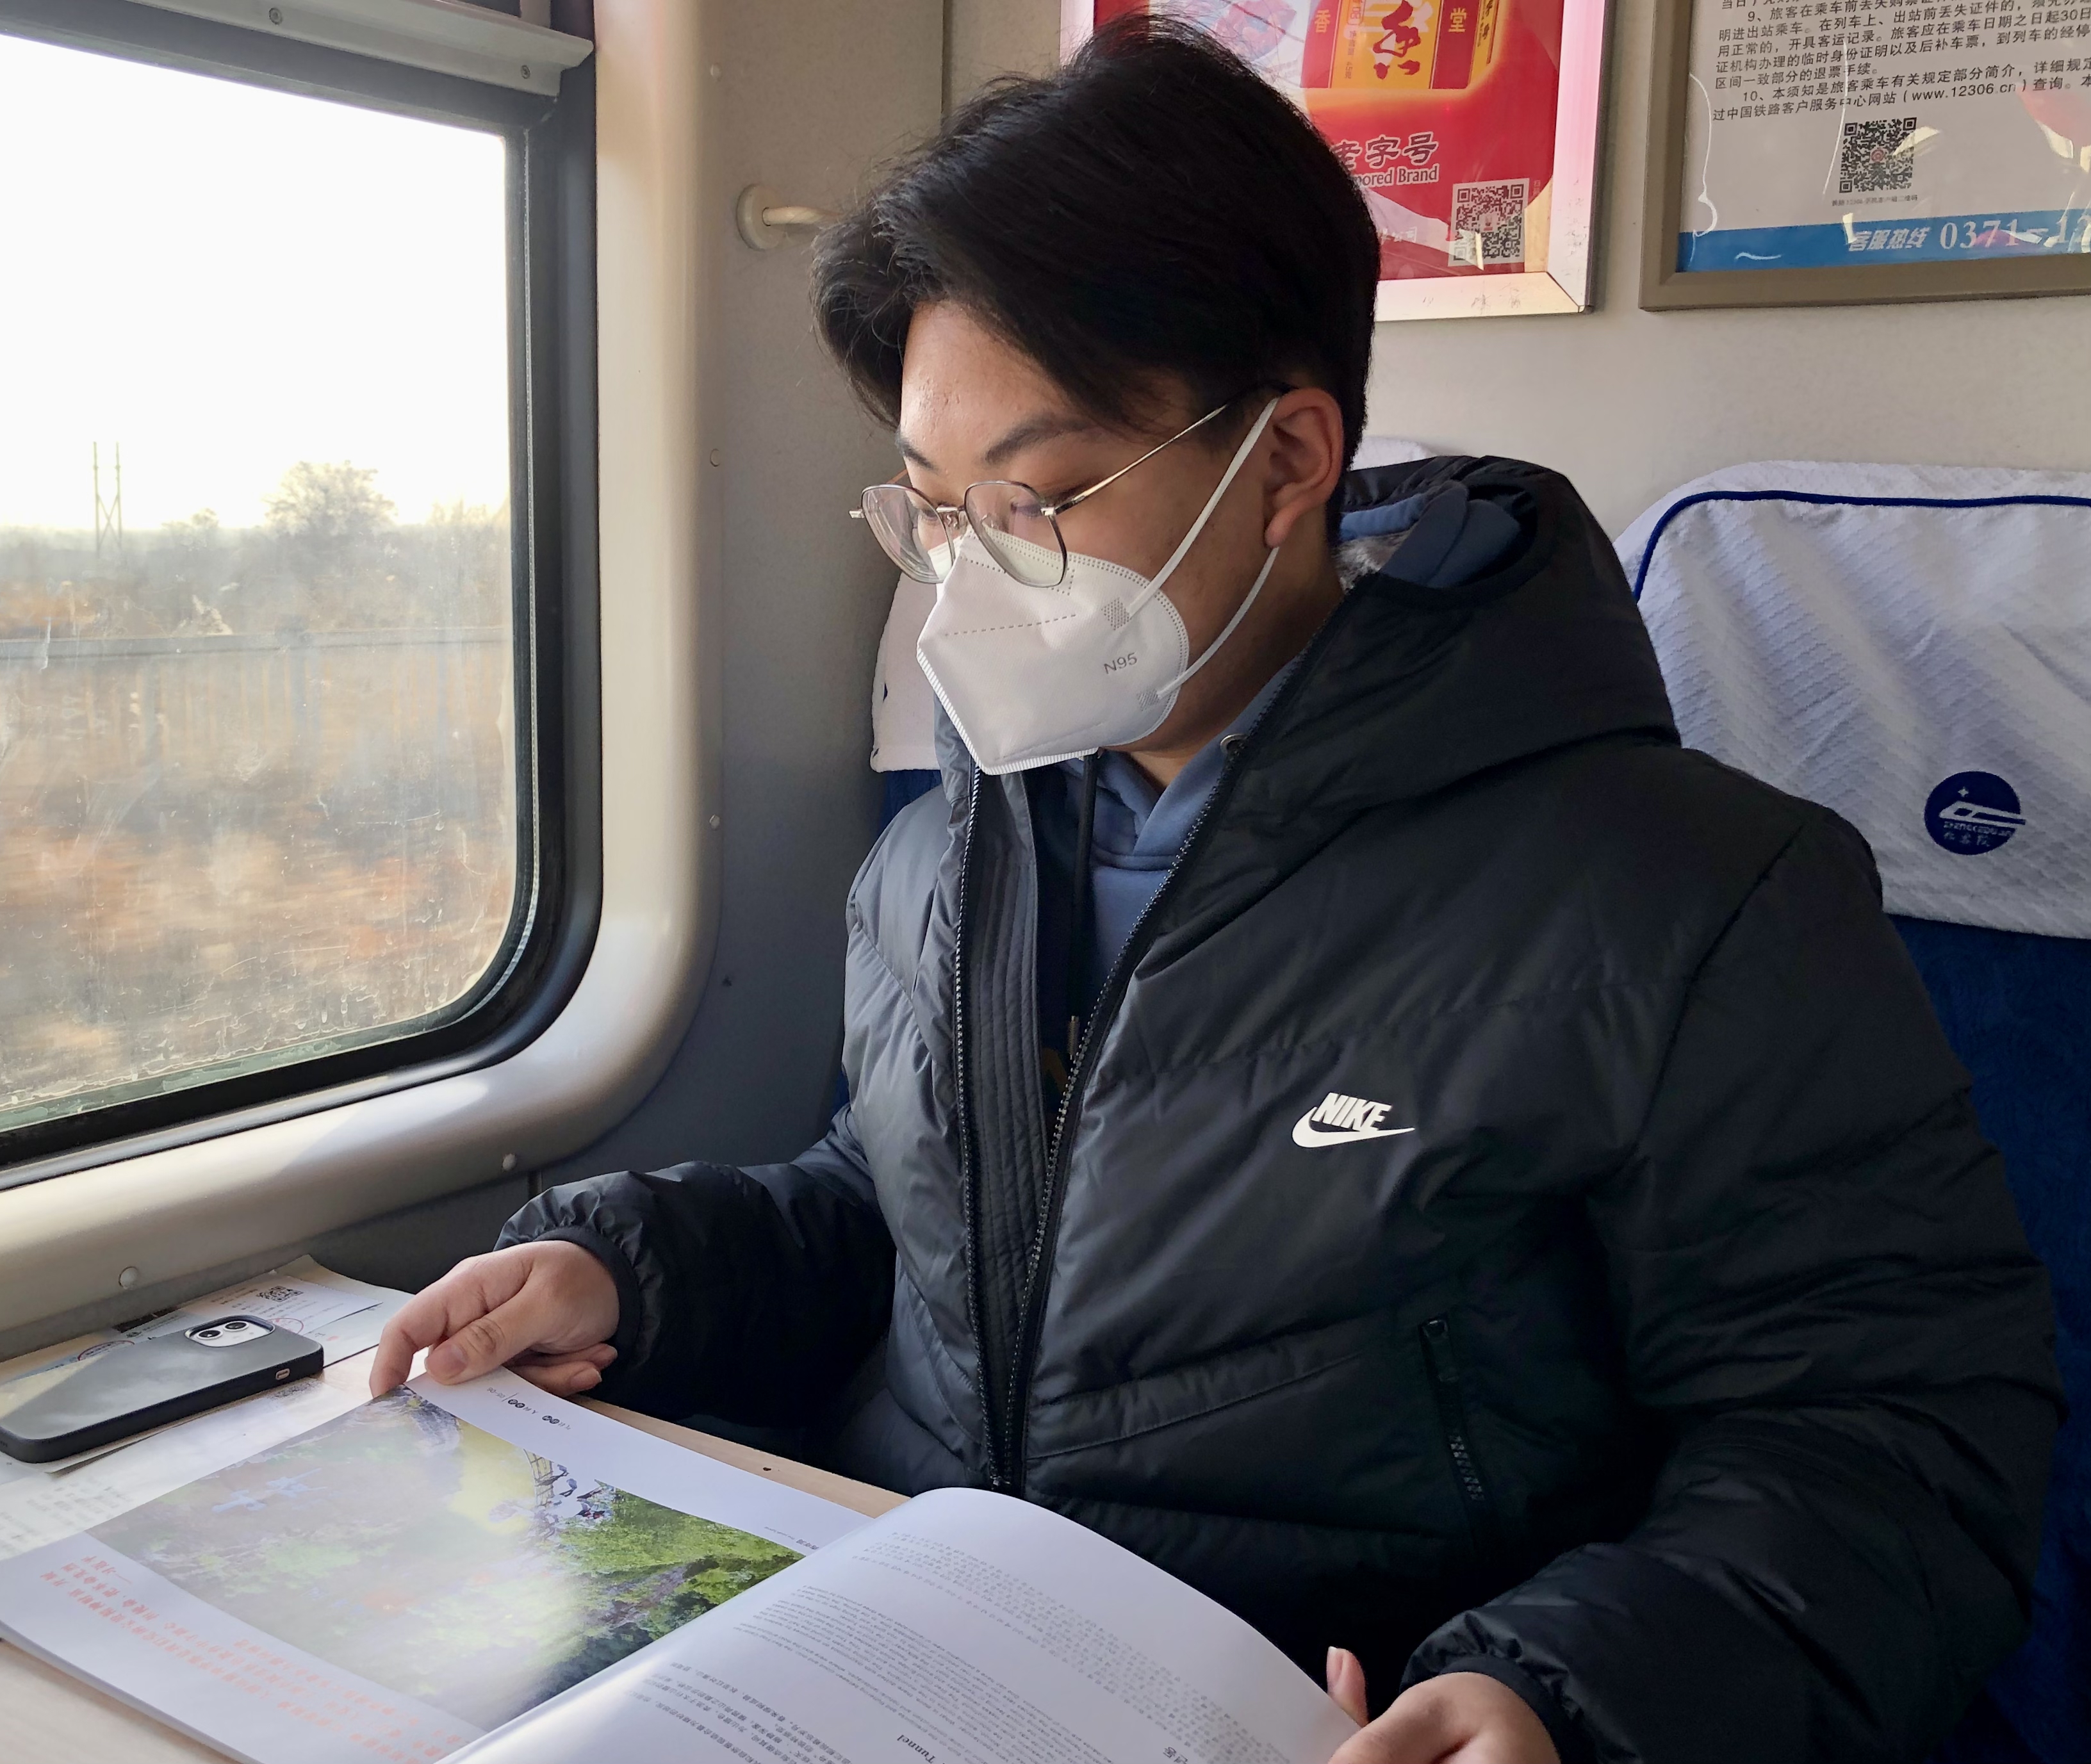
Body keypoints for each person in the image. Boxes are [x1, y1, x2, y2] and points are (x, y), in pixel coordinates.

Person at [372, 19, 2060, 1763]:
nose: (971, 584)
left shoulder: (1695, 900)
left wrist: (1564, 1693)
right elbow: (911, 1218)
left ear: (1286, 461)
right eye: (935, 514)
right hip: (928, 1660)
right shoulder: (946, 855)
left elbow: (1895, 1436)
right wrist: (637, 1267)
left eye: (1037, 501)